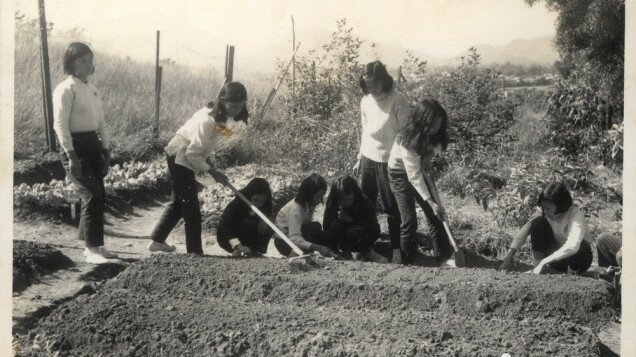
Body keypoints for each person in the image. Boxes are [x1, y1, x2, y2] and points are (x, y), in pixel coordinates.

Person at [147, 82, 249, 254]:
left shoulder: (220, 118)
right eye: (234, 105)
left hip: (185, 155)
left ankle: (157, 241)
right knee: (192, 209)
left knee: (180, 202)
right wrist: (213, 172)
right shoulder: (208, 120)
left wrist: (214, 168)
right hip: (179, 156)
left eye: (241, 106)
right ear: (224, 101)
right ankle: (195, 253)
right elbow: (192, 153)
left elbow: (206, 147)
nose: (237, 110)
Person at [53, 42, 116, 264]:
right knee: (91, 194)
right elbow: (60, 125)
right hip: (75, 148)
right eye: (83, 61)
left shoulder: (92, 89)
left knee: (100, 194)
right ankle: (90, 250)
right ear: (71, 63)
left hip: (93, 145)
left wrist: (106, 149)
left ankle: (96, 244)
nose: (89, 65)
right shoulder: (65, 89)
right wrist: (70, 155)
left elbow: (100, 122)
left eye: (91, 60)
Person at [353, 60, 410, 263]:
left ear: (384, 81)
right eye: (367, 85)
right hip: (368, 157)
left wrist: (400, 160)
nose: (371, 89)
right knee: (364, 203)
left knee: (391, 206)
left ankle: (396, 249)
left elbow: (405, 134)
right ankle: (366, 246)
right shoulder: (365, 101)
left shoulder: (398, 99)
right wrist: (360, 158)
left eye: (374, 84)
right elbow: (365, 131)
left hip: (390, 160)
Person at [387, 99, 454, 265]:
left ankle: (444, 256)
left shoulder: (437, 135)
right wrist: (431, 202)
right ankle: (406, 260)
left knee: (436, 214)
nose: (436, 128)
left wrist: (434, 205)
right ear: (421, 121)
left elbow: (427, 161)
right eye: (432, 124)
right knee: (409, 220)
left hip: (417, 170)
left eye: (439, 123)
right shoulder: (407, 139)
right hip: (399, 173)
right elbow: (414, 176)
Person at [499, 182, 594, 274]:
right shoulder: (544, 213)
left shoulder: (576, 215)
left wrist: (544, 261)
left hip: (579, 260)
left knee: (582, 246)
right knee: (537, 223)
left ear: (560, 206)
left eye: (548, 208)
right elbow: (523, 232)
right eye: (543, 207)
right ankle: (538, 268)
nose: (545, 211)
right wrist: (508, 258)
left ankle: (572, 273)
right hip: (556, 260)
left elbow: (572, 246)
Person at [274, 174, 340, 258]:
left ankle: (333, 253)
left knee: (322, 231)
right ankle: (299, 253)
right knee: (315, 227)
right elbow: (294, 238)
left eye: (321, 196)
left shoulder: (308, 204)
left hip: (299, 235)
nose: (320, 200)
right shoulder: (295, 209)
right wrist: (318, 247)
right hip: (284, 242)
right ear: (308, 194)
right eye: (317, 197)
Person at [323, 176, 388, 263]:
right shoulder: (332, 202)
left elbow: (374, 228)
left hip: (363, 235)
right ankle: (346, 253)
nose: (347, 203)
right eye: (343, 200)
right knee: (335, 224)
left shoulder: (363, 201)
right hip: (343, 238)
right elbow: (326, 225)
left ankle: (370, 253)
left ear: (355, 194)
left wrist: (352, 220)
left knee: (353, 231)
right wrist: (331, 248)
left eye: (350, 199)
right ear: (337, 197)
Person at [216, 178, 274, 257]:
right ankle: (237, 250)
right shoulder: (236, 205)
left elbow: (271, 211)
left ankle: (254, 251)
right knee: (249, 223)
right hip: (230, 237)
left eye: (261, 202)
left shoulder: (265, 205)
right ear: (250, 195)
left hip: (249, 237)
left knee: (268, 224)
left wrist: (265, 218)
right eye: (256, 200)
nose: (258, 204)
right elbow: (225, 227)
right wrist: (237, 245)